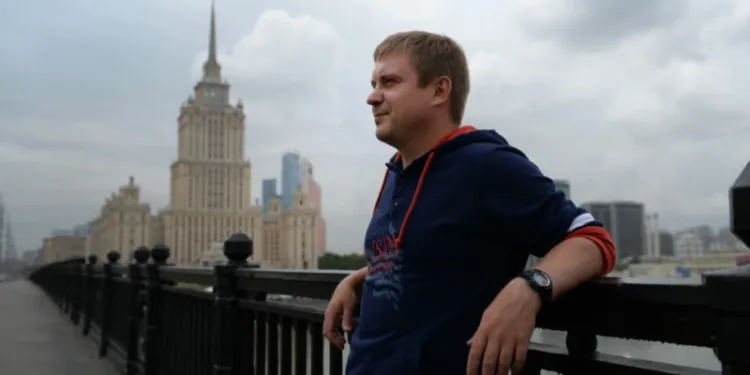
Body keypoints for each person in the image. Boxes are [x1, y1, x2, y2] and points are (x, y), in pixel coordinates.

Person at [322, 31, 616, 375]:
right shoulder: (397, 174)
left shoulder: (485, 163)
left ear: (439, 90)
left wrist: (530, 288)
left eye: (389, 82)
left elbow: (593, 240)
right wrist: (366, 276)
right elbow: (438, 254)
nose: (372, 97)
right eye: (373, 83)